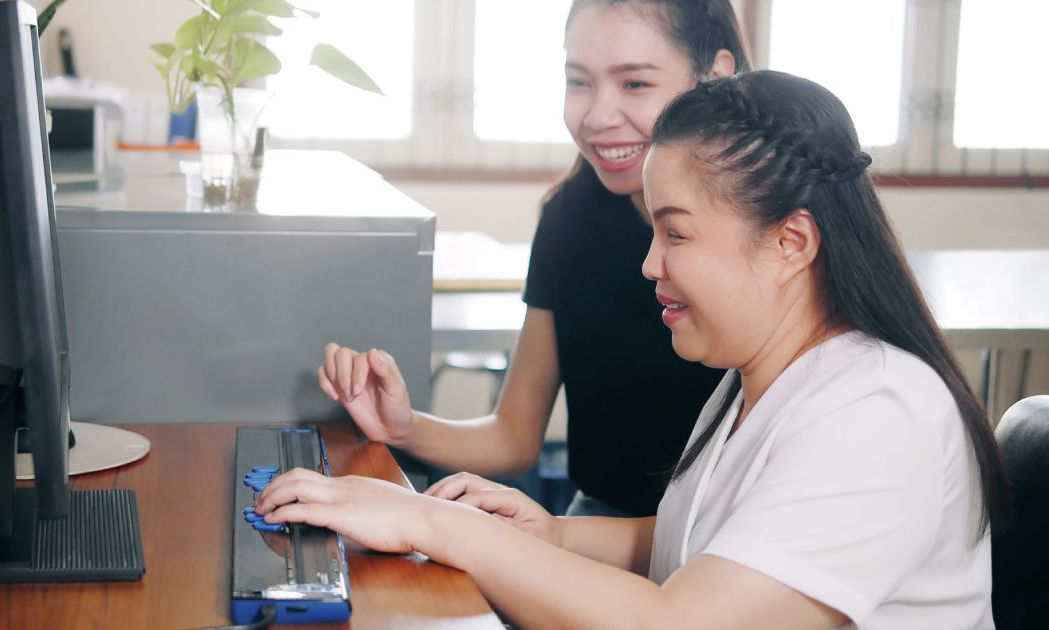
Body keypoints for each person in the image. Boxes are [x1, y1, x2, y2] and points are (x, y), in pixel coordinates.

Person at [258, 70, 1008, 628]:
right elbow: (711, 542)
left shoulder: (878, 411)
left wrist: (431, 522)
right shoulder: (763, 375)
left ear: (790, 243)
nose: (650, 264)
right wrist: (549, 531)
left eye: (675, 233)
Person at [318, 0, 750, 518]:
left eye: (634, 84)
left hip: (731, 538)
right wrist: (402, 426)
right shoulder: (571, 218)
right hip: (601, 517)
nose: (597, 116)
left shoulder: (768, 230)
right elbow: (514, 436)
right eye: (579, 82)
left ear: (715, 76)